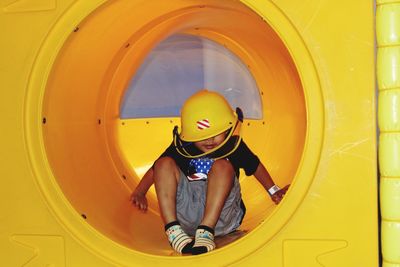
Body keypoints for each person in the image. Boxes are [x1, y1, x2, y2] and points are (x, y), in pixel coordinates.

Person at [130, 90, 288, 255]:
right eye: (202, 136)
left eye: (215, 133)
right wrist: (140, 192)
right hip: (186, 217)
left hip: (221, 216)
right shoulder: (183, 146)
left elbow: (254, 166)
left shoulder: (233, 145)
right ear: (189, 134)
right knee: (163, 163)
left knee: (222, 166)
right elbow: (157, 170)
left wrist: (274, 191)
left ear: (228, 128)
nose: (209, 140)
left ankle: (206, 230)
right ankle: (173, 230)